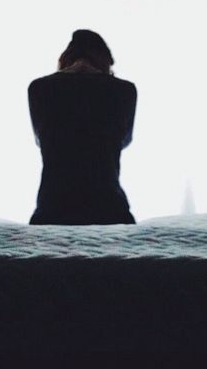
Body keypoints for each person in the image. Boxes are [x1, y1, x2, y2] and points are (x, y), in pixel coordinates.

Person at [28, 30, 136, 225]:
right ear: (105, 60)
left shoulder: (38, 88)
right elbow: (124, 140)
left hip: (53, 205)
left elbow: (40, 140)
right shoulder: (125, 90)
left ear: (66, 57)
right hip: (109, 206)